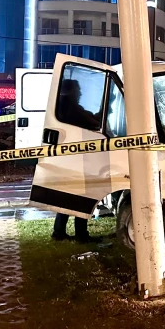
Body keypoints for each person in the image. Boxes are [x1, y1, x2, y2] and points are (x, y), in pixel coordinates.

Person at [52, 79, 101, 242]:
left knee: (68, 197)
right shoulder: (70, 107)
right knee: (81, 198)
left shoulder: (62, 106)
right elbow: (91, 121)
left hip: (68, 159)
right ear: (71, 91)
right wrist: (103, 111)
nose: (80, 93)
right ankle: (81, 234)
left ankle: (59, 232)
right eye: (78, 90)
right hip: (76, 160)